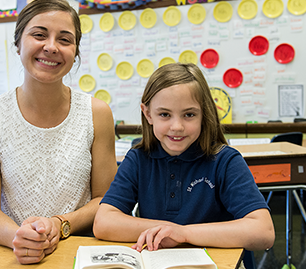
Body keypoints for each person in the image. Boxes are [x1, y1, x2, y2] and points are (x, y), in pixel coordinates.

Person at [0, 0, 117, 265]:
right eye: (39, 35)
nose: (51, 47)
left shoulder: (97, 113)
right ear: (18, 44)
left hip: (79, 252)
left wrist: (60, 224)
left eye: (64, 39)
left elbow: (106, 199)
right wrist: (22, 237)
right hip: (8, 251)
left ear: (76, 51)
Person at [93, 63, 275, 269]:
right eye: (164, 114)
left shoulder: (225, 161)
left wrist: (184, 233)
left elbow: (263, 232)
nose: (177, 126)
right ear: (147, 113)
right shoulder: (137, 159)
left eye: (189, 114)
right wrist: (168, 230)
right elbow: (103, 223)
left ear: (204, 114)